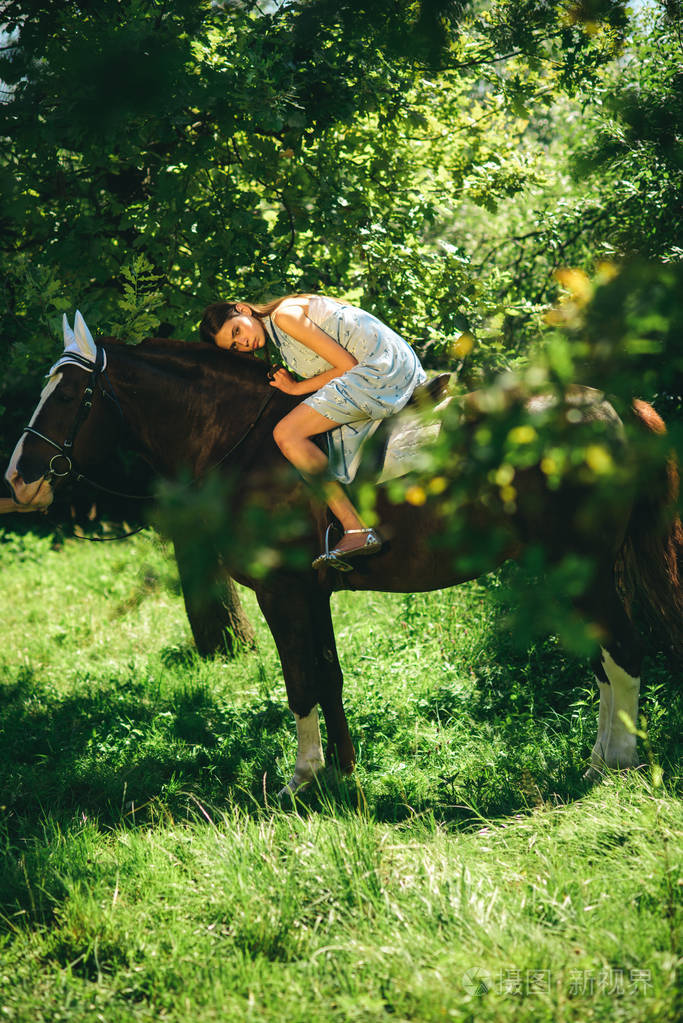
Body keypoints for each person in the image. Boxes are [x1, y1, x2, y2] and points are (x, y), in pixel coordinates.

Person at [199, 293, 426, 570]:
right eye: (234, 346)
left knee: (287, 434)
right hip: (389, 362)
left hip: (377, 370)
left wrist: (295, 388)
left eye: (237, 331)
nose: (243, 343)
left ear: (243, 309)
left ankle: (355, 528)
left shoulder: (284, 317)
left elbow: (347, 366)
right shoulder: (281, 326)